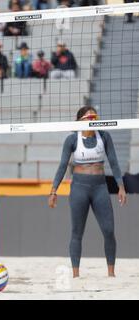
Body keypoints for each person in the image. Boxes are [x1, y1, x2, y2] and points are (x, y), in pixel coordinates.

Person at [49, 106, 127, 278]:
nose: (92, 120)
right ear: (79, 121)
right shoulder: (72, 139)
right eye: (87, 117)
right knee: (77, 232)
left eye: (94, 117)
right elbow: (62, 166)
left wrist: (121, 186)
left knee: (108, 230)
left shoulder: (104, 136)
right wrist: (53, 190)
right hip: (79, 188)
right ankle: (76, 275)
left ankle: (111, 274)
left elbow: (113, 162)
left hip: (100, 188)